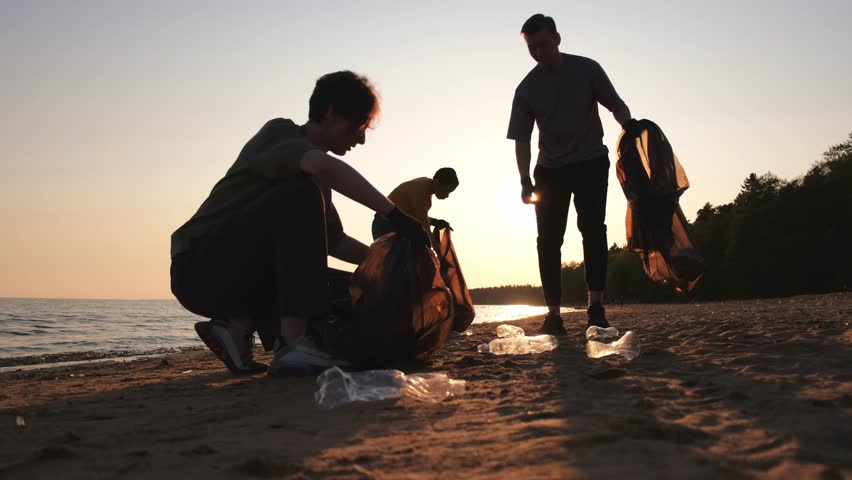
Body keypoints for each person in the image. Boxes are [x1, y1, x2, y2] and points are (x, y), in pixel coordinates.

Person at [170, 71, 430, 376]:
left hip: (243, 277)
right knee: (300, 192)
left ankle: (236, 329)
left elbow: (334, 241)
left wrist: (388, 265)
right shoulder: (280, 135)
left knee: (357, 289)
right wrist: (395, 216)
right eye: (358, 126)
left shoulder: (315, 180)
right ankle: (293, 344)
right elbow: (324, 168)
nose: (361, 139)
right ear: (332, 114)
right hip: (201, 267)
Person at [506, 14, 639, 334]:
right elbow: (522, 139)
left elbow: (615, 104)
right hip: (550, 171)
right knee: (548, 241)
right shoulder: (526, 89)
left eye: (543, 44)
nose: (538, 52)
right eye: (531, 47)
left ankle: (596, 307)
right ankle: (554, 314)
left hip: (591, 163)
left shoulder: (587, 69)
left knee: (593, 231)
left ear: (558, 39)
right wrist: (525, 180)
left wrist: (629, 126)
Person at [371, 168, 459, 243]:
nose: (447, 196)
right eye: (446, 191)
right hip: (385, 225)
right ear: (437, 182)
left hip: (394, 225)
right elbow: (424, 226)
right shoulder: (421, 190)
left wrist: (434, 221)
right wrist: (438, 256)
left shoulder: (426, 186)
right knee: (396, 260)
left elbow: (413, 215)